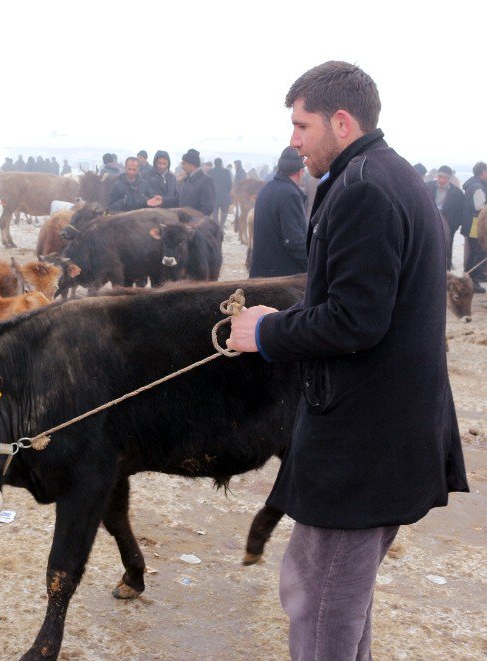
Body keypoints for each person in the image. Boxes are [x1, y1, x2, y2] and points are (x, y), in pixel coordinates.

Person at [227, 61, 468, 661]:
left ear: (341, 120)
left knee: (320, 597)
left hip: (367, 437)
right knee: (332, 594)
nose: (293, 140)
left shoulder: (365, 187)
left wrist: (268, 330)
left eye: (301, 124)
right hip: (381, 428)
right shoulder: (389, 174)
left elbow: (357, 320)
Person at [248, 146, 307, 277]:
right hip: (282, 279)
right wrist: (312, 265)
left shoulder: (266, 189)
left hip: (261, 274)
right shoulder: (290, 194)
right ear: (300, 172)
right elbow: (294, 242)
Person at [427, 165, 467, 270]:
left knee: (446, 249)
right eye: (440, 177)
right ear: (437, 176)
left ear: (449, 179)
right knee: (427, 247)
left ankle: (446, 273)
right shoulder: (427, 187)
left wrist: (453, 226)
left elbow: (460, 212)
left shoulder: (457, 193)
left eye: (444, 178)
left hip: (448, 225)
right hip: (428, 222)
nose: (441, 180)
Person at [461, 161, 487, 290]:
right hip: (475, 225)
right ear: (483, 172)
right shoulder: (477, 187)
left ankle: (470, 277)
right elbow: (479, 206)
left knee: (474, 251)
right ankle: (472, 280)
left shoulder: (472, 184)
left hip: (471, 223)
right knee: (478, 251)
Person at [177, 148, 215, 216]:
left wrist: (194, 221)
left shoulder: (205, 180)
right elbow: (179, 199)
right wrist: (163, 201)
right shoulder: (186, 179)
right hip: (184, 223)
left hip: (195, 224)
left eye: (184, 164)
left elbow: (207, 208)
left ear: (191, 164)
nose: (182, 167)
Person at [208, 157, 233, 226]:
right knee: (224, 213)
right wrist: (227, 192)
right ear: (221, 163)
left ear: (214, 164)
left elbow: (207, 184)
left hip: (213, 196)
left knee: (215, 214)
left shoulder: (210, 172)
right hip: (224, 196)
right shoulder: (226, 172)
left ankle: (216, 227)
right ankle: (221, 226)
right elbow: (230, 184)